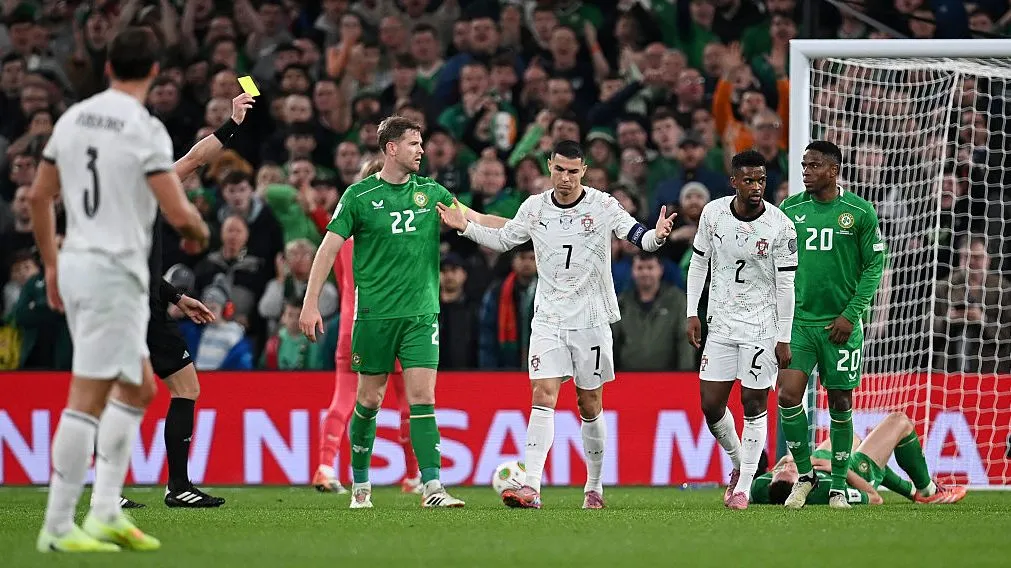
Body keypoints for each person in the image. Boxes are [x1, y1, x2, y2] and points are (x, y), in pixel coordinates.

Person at [29, 27, 209, 552]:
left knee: (138, 389)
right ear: (154, 72)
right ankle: (59, 525)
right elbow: (176, 210)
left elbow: (40, 197)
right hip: (113, 275)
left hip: (85, 267)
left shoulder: (73, 118)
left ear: (108, 68)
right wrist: (198, 231)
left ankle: (107, 509)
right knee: (88, 397)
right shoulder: (144, 128)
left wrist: (52, 266)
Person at [438, 140, 677, 510]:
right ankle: (532, 485)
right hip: (548, 318)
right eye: (559, 170)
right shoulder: (534, 208)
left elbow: (636, 235)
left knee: (589, 403)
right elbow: (504, 240)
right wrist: (465, 227)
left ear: (584, 171)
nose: (565, 178)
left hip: (592, 319)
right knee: (542, 396)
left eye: (573, 171)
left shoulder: (602, 205)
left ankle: (594, 485)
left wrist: (656, 236)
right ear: (549, 167)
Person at [299, 115, 503, 509]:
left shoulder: (431, 192)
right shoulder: (358, 197)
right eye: (414, 143)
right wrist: (310, 304)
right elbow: (326, 249)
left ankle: (432, 487)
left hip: (421, 315)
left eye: (421, 143)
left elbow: (477, 219)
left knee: (423, 398)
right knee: (370, 400)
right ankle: (361, 485)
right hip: (374, 316)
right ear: (392, 148)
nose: (422, 150)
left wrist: (529, 229)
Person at [119, 91, 255, 509]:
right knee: (137, 393)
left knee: (174, 387)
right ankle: (157, 488)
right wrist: (232, 123)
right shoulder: (139, 190)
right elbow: (195, 160)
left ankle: (170, 487)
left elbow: (194, 160)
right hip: (132, 309)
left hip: (143, 304)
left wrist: (177, 296)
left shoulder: (129, 193)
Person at [685, 150, 797, 510]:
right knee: (710, 404)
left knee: (753, 403)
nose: (756, 187)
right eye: (748, 180)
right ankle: (741, 460)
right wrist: (692, 312)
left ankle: (744, 487)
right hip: (720, 324)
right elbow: (699, 263)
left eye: (761, 180)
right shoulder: (713, 214)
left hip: (761, 327)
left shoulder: (780, 225)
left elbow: (785, 285)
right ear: (733, 181)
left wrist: (784, 335)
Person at [777, 140, 886, 509]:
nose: (805, 171)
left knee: (840, 401)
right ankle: (805, 476)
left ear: (833, 170)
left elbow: (874, 267)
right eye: (804, 165)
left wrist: (850, 314)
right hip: (799, 323)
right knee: (788, 395)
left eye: (813, 165)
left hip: (841, 325)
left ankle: (838, 485)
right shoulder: (790, 209)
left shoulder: (859, 212)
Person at [313, 158, 423, 496]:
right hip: (396, 327)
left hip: (352, 328)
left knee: (344, 399)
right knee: (410, 401)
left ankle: (325, 467)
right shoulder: (398, 232)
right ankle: (413, 476)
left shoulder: (344, 238)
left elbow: (345, 282)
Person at [752, 412, 968, 506]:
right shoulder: (826, 490)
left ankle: (911, 492)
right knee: (900, 421)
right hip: (854, 470)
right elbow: (874, 498)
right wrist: (835, 467)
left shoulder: (761, 488)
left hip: (819, 458)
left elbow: (778, 468)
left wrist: (786, 463)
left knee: (852, 438)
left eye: (778, 471)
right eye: (791, 471)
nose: (788, 466)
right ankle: (926, 489)